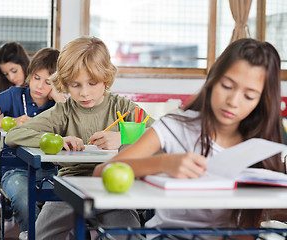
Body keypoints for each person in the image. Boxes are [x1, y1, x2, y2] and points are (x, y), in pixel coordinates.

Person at [93, 38, 285, 239]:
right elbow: (102, 172)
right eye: (227, 86)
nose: (233, 102)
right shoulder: (175, 126)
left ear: (262, 100)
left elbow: (247, 226)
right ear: (213, 80)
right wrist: (164, 163)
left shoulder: (258, 146)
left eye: (249, 96)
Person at [4, 36, 154, 240]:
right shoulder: (63, 111)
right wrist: (56, 139)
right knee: (39, 237)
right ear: (65, 83)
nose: (85, 93)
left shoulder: (123, 107)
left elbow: (164, 134)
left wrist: (122, 138)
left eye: (92, 83)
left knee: (129, 237)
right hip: (69, 187)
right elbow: (14, 135)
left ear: (106, 77)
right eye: (75, 85)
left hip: (113, 187)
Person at [0, 47, 65, 240]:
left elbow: (75, 124)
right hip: (16, 170)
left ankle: (38, 235)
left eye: (48, 82)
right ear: (30, 74)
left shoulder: (59, 105)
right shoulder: (14, 94)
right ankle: (37, 235)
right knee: (23, 195)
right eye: (36, 78)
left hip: (52, 170)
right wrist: (12, 122)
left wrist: (58, 97)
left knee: (69, 198)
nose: (39, 86)